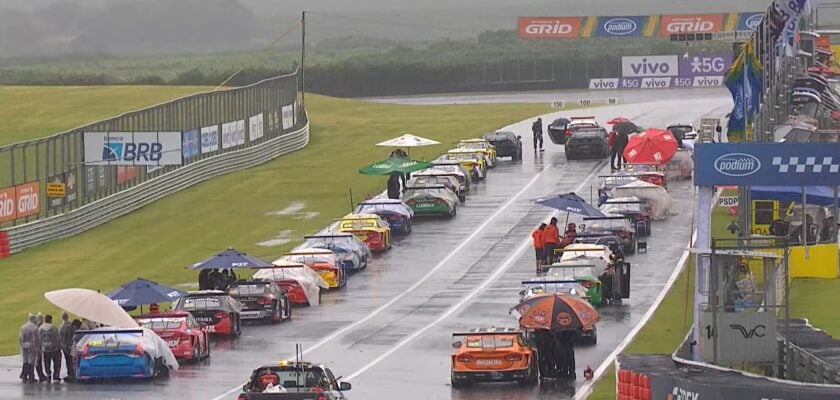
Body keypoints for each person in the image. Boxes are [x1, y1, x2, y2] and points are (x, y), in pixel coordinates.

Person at [39, 315, 61, 382]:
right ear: (50, 320)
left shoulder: (40, 328)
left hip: (45, 348)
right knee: (56, 362)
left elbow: (39, 339)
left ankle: (48, 374)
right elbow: (57, 338)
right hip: (54, 348)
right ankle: (56, 375)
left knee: (46, 362)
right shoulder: (54, 328)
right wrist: (58, 346)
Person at [19, 314, 39, 383]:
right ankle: (31, 376)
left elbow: (20, 337)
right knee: (31, 361)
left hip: (24, 345)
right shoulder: (34, 328)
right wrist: (37, 348)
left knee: (25, 360)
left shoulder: (23, 327)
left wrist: (21, 345)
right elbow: (35, 339)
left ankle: (24, 375)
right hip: (31, 345)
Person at [59, 314, 77, 382]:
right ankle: (73, 373)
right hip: (72, 345)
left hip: (66, 346)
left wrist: (62, 346)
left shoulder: (62, 327)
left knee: (68, 360)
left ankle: (70, 373)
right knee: (73, 360)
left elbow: (61, 338)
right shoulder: (71, 325)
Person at [34, 313, 47, 382]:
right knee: (38, 361)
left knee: (38, 361)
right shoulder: (39, 328)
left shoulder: (37, 327)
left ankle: (41, 374)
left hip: (38, 347)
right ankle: (40, 375)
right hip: (38, 347)